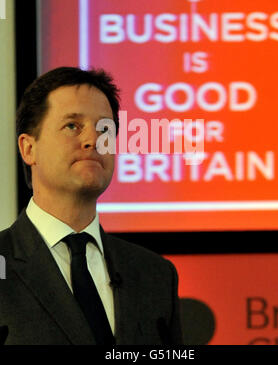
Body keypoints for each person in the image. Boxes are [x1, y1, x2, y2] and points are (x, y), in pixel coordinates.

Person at [0, 67, 183, 345]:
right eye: (72, 126)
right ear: (28, 149)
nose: (92, 140)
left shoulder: (155, 275)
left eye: (105, 129)